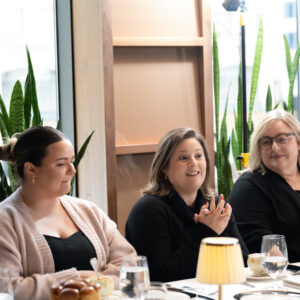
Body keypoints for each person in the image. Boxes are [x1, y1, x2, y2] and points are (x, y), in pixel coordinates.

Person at [0, 126, 136, 300]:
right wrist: (75, 278)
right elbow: (6, 288)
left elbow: (130, 263)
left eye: (72, 161)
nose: (72, 170)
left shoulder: (88, 210)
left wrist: (98, 280)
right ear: (31, 169)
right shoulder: (5, 221)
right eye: (61, 164)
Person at [125, 128, 248, 282]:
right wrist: (206, 231)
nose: (193, 163)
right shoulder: (148, 210)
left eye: (198, 156)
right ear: (164, 167)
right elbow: (160, 277)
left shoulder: (215, 206)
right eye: (183, 158)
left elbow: (243, 264)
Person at [228, 110, 300, 262]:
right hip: (284, 278)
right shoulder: (249, 186)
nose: (274, 147)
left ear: (298, 142)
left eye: (282, 139)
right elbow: (261, 245)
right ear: (258, 148)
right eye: (266, 142)